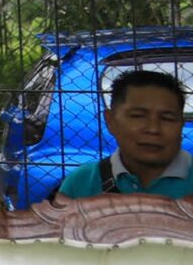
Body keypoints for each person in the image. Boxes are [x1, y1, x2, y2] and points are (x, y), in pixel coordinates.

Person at [54, 68, 193, 197]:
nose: (153, 129)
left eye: (167, 118)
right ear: (110, 121)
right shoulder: (81, 183)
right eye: (137, 116)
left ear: (181, 124)